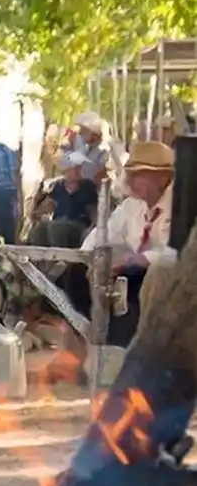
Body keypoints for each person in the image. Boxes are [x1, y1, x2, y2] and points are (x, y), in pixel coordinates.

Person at [65, 141, 174, 350]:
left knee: (136, 279)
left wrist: (135, 261)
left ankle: (125, 351)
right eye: (129, 173)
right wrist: (88, 260)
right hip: (130, 273)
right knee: (76, 273)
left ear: (163, 178)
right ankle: (88, 341)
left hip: (163, 280)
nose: (131, 180)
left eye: (139, 174)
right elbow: (102, 234)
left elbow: (177, 253)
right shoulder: (132, 205)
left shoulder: (182, 207)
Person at [29, 152, 97, 248]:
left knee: (56, 226)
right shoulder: (58, 186)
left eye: (77, 168)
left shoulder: (87, 186)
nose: (75, 171)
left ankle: (59, 259)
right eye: (72, 169)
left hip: (78, 224)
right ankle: (40, 259)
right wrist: (36, 213)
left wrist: (93, 227)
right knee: (39, 229)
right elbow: (48, 204)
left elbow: (93, 210)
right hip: (58, 222)